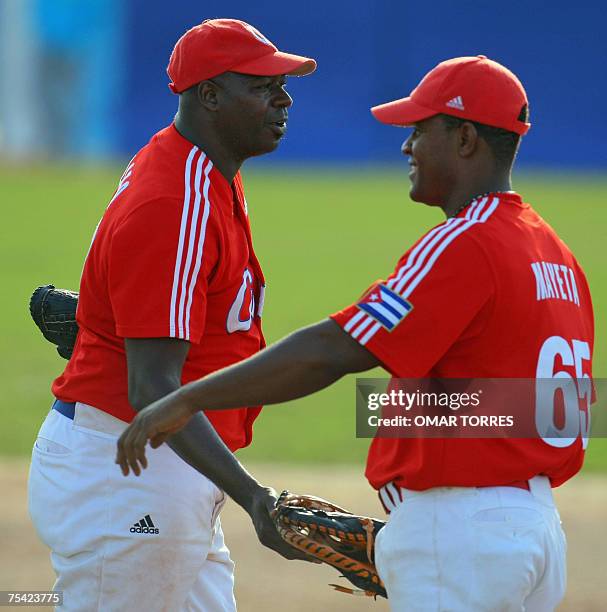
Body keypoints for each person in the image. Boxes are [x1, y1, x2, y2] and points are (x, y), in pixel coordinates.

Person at [116, 55, 595, 611]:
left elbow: (335, 349)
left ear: (465, 138)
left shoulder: (467, 241)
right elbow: (560, 408)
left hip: (465, 531)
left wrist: (186, 398)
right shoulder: (558, 257)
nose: (406, 147)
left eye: (420, 129)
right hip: (535, 531)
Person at [28, 18, 316, 612]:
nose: (283, 99)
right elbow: (152, 386)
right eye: (263, 86)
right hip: (131, 473)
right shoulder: (178, 198)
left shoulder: (202, 171)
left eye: (282, 84)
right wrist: (253, 497)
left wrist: (97, 326)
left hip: (160, 466)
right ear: (208, 95)